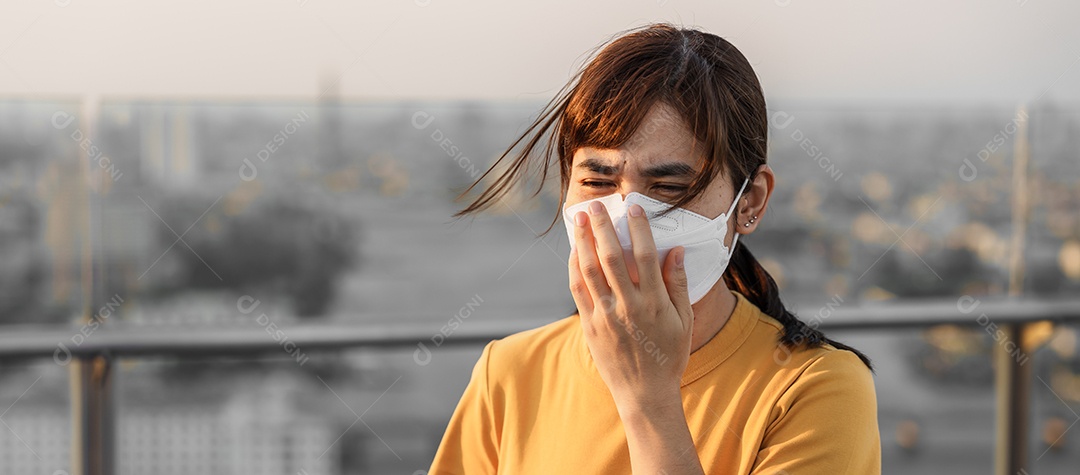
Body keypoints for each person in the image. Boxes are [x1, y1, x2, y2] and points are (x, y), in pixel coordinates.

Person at [428, 23, 880, 475]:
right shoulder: (509, 373)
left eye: (668, 187)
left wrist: (649, 400)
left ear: (751, 201)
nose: (627, 215)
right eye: (598, 182)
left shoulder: (815, 390)